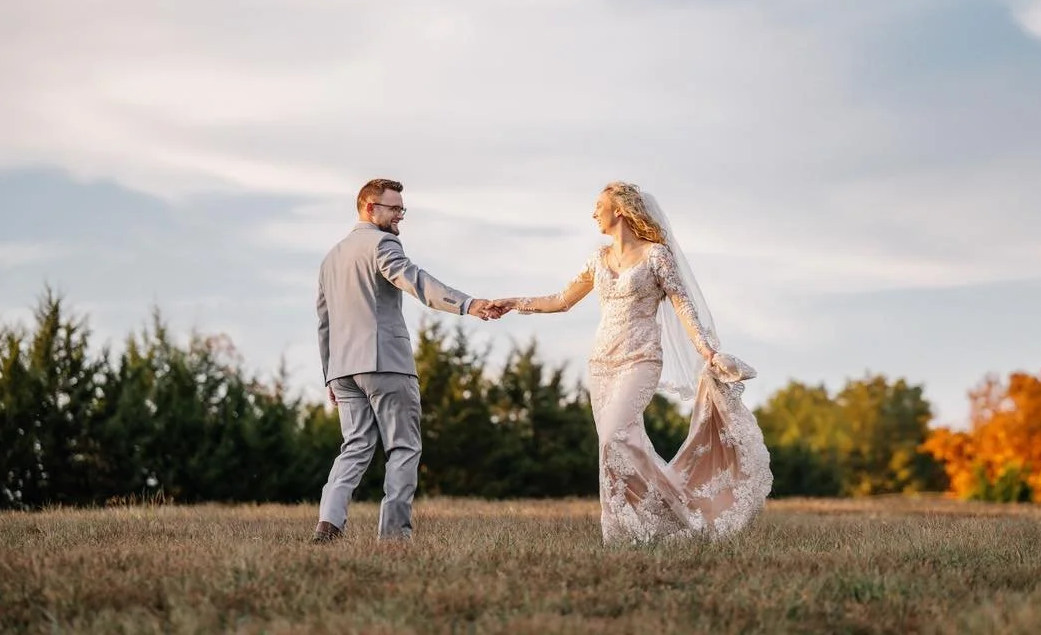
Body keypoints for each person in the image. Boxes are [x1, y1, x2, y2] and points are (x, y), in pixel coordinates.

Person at [496, 181, 771, 543]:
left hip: (640, 359)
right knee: (612, 446)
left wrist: (706, 350)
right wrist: (515, 302)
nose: (594, 213)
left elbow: (682, 305)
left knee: (616, 435)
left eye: (599, 205)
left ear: (620, 210)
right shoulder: (599, 258)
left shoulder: (656, 255)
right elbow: (562, 300)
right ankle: (624, 532)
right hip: (601, 363)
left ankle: (683, 508)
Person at [312, 178, 509, 542]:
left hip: (343, 369)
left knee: (354, 446)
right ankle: (394, 536)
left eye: (402, 209)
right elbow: (415, 281)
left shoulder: (331, 257)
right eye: (394, 208)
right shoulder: (383, 244)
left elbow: (324, 322)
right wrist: (468, 304)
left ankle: (329, 521)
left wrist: (329, 375)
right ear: (369, 208)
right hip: (385, 362)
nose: (400, 216)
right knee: (403, 446)